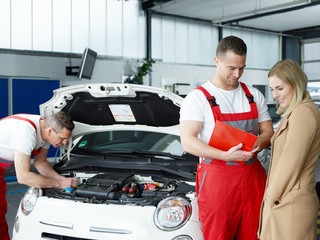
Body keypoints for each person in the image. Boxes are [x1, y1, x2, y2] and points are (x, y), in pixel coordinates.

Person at [179, 35, 274, 240]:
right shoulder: (198, 98)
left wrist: (259, 142)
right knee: (218, 236)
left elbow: (268, 133)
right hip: (217, 182)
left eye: (242, 68)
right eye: (231, 67)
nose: (237, 74)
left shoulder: (253, 95)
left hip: (252, 178)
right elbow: (188, 141)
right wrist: (225, 155)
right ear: (217, 61)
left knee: (255, 234)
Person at [258, 59, 320, 240]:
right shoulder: (295, 112)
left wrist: (270, 198)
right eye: (272, 89)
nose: (275, 95)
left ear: (296, 84)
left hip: (290, 204)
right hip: (286, 200)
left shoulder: (303, 113)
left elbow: (290, 163)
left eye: (280, 88)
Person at [0, 112, 78, 240]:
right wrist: (59, 184)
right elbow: (23, 177)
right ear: (51, 131)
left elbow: (40, 162)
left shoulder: (45, 130)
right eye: (62, 138)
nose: (64, 143)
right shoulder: (26, 133)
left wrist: (63, 180)